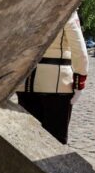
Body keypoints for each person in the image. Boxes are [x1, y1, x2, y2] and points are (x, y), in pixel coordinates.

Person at [16, 10, 89, 144]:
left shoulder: (25, 8)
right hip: (57, 86)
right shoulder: (68, 9)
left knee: (29, 143)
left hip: (25, 84)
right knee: (55, 142)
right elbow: (80, 52)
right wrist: (79, 83)